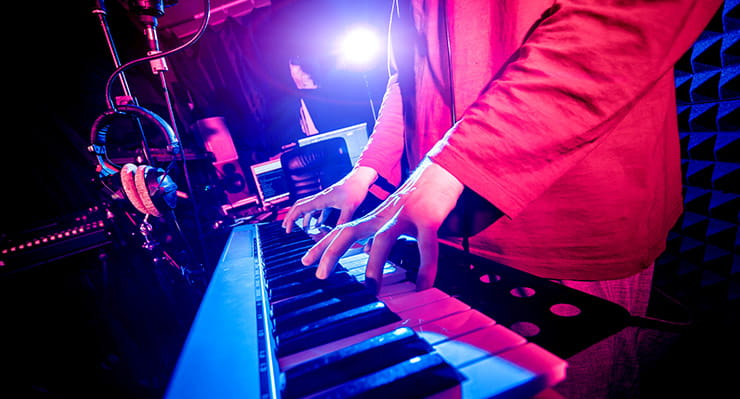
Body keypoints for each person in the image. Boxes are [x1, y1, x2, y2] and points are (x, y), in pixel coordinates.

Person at [282, 0, 722, 317]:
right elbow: (408, 75)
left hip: (564, 233)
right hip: (449, 232)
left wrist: (456, 163)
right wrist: (366, 169)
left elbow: (623, 20)